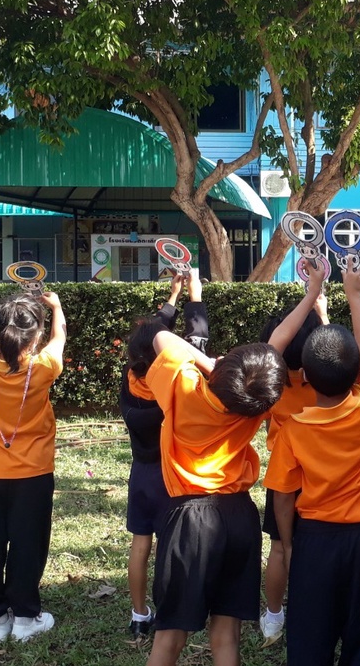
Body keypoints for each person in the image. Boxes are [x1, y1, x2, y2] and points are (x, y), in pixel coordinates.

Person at [145, 260, 325, 666]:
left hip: (189, 519)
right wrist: (312, 295)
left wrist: (210, 364)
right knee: (226, 636)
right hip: (239, 516)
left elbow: (160, 337)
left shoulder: (185, 386)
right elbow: (277, 344)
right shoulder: (257, 405)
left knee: (169, 636)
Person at [263, 258, 360, 666]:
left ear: (307, 378)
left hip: (313, 540)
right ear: (355, 376)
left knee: (309, 639)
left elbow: (283, 498)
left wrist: (290, 543)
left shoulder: (293, 431)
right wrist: (354, 296)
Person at [0, 290, 67, 642]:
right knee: (29, 543)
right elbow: (59, 337)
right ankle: (26, 618)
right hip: (34, 473)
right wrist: (55, 307)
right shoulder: (44, 368)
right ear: (35, 336)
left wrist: (7, 314)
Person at [119, 272, 209, 637]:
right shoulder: (174, 383)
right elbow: (197, 340)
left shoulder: (129, 380)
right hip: (173, 474)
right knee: (173, 547)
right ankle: (173, 611)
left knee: (141, 543)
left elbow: (151, 335)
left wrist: (173, 295)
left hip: (141, 474)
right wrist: (194, 295)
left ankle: (139, 615)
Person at [256, 292, 329, 646]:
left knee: (279, 547)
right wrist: (324, 316)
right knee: (317, 547)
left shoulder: (272, 383)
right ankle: (315, 611)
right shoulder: (326, 381)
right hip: (321, 474)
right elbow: (338, 355)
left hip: (283, 476)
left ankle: (273, 615)